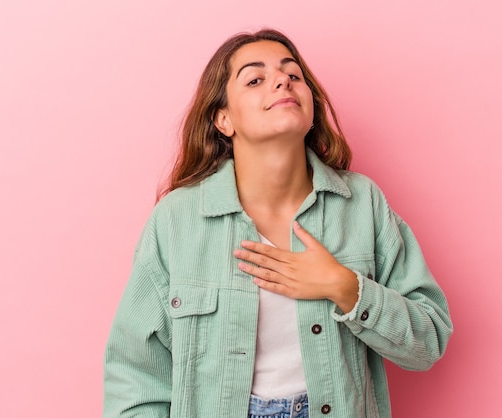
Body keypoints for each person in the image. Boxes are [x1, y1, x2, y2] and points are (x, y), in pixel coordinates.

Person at [103, 28, 453, 418]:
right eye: (255, 79)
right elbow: (134, 373)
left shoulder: (362, 204)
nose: (282, 81)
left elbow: (428, 341)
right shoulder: (177, 220)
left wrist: (345, 287)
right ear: (223, 119)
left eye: (293, 75)